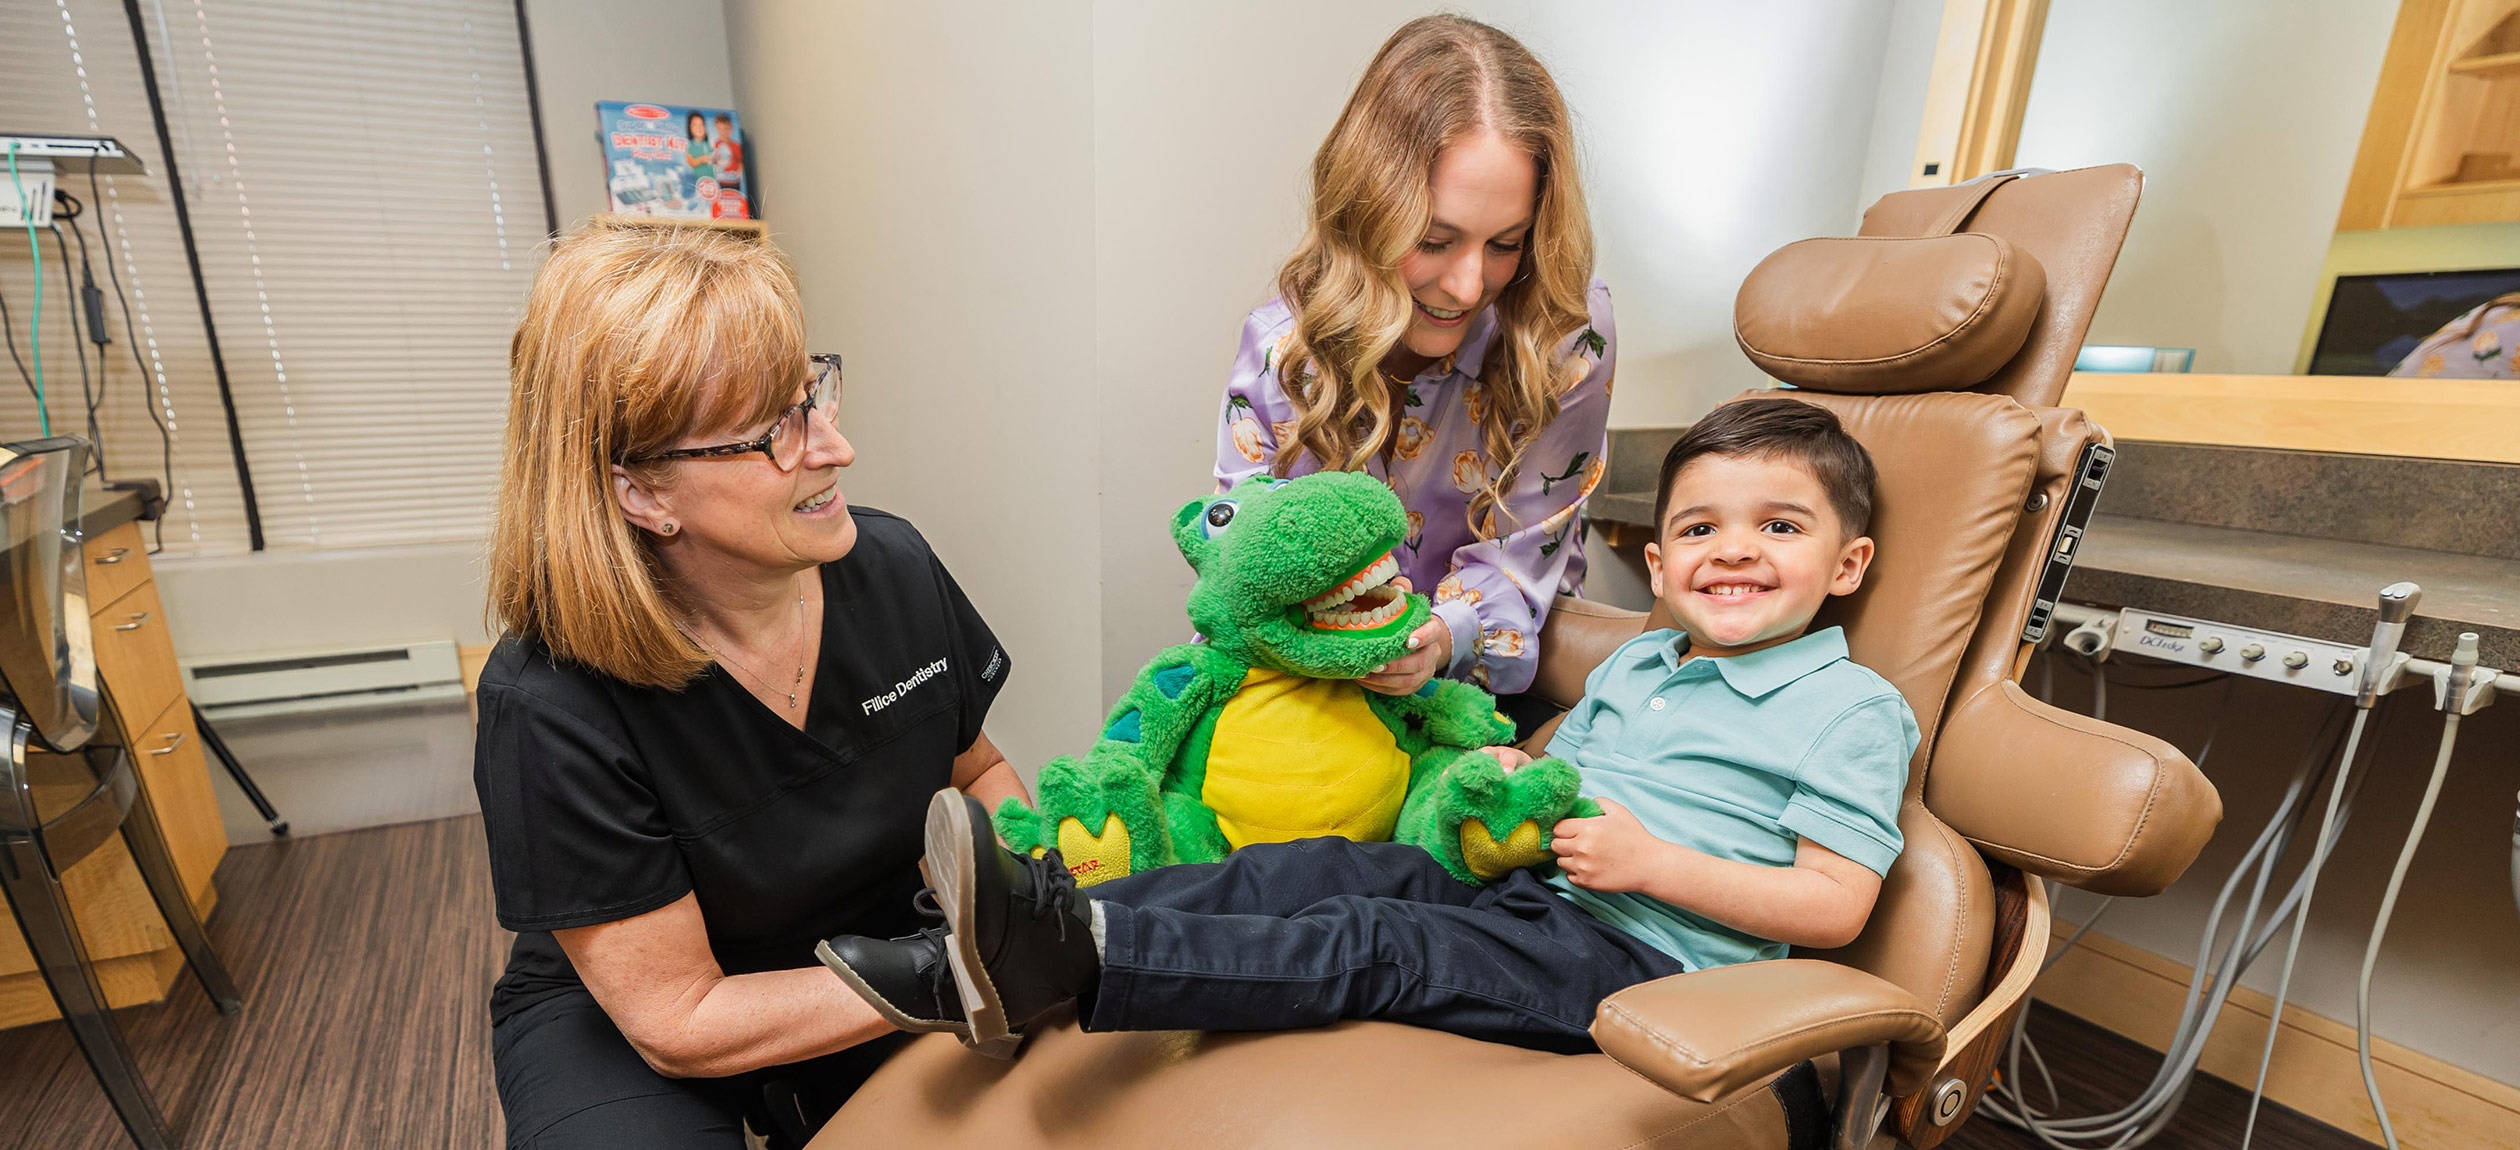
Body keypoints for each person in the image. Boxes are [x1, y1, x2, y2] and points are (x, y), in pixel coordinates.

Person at [825, 398, 1918, 1055]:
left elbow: (1833, 905)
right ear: (1664, 562)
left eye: (1779, 526)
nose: (1733, 550)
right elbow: (1558, 779)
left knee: (1379, 943)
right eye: (1700, 527)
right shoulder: (1644, 659)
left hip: (1640, 961)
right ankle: (1014, 924)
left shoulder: (1852, 709)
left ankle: (1082, 956)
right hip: (1536, 891)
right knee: (1314, 870)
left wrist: (1651, 862)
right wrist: (1505, 766)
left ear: (1849, 563)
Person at [474, 221, 1027, 1148]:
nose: (834, 448)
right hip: (642, 1012)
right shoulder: (549, 702)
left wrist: (1030, 890)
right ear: (641, 492)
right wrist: (960, 970)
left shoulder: (891, 566)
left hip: (883, 938)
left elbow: (975, 775)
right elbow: (678, 1020)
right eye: (775, 431)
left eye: (813, 397)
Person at [1216, 14, 1616, 709]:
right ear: (1367, 214)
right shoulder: (1287, 350)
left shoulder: (1565, 333)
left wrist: (1441, 637)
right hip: (1316, 696)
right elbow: (1245, 559)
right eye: (1434, 239)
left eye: (1505, 243)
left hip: (1495, 703)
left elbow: (1530, 557)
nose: (1467, 285)